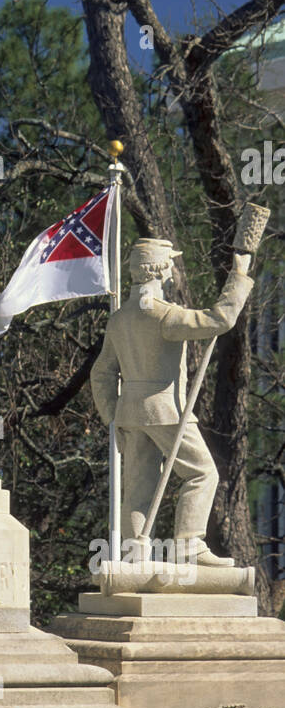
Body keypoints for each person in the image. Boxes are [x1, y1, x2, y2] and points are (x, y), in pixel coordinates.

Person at [90, 237, 254, 565]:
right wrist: (238, 275)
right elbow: (220, 319)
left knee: (139, 487)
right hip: (165, 411)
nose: (173, 275)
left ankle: (134, 554)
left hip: (129, 414)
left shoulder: (119, 319)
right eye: (171, 268)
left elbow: (101, 375)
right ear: (162, 271)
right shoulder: (165, 315)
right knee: (202, 473)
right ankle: (189, 544)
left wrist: (113, 417)